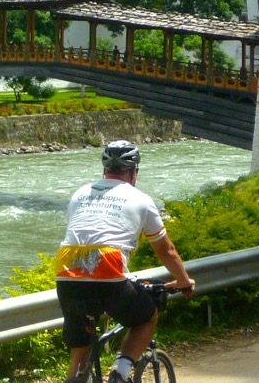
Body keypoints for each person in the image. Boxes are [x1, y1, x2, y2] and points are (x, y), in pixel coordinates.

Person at [54, 140, 196, 383]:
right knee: (146, 317)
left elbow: (87, 238)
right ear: (134, 172)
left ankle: (76, 377)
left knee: (81, 344)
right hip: (108, 272)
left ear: (104, 170)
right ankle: (120, 372)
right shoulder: (140, 199)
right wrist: (183, 281)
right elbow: (167, 251)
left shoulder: (80, 194)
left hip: (67, 272)